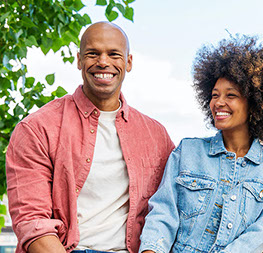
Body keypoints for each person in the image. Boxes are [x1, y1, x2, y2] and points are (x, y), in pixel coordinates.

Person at [6, 22, 174, 253]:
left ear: (128, 62)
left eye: (114, 54)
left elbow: (171, 208)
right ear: (79, 60)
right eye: (93, 53)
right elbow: (33, 223)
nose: (103, 62)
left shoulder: (156, 136)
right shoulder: (36, 128)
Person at [138, 36, 263, 253]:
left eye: (231, 95)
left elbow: (260, 235)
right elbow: (163, 213)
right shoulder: (187, 152)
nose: (219, 102)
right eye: (214, 95)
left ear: (256, 104)